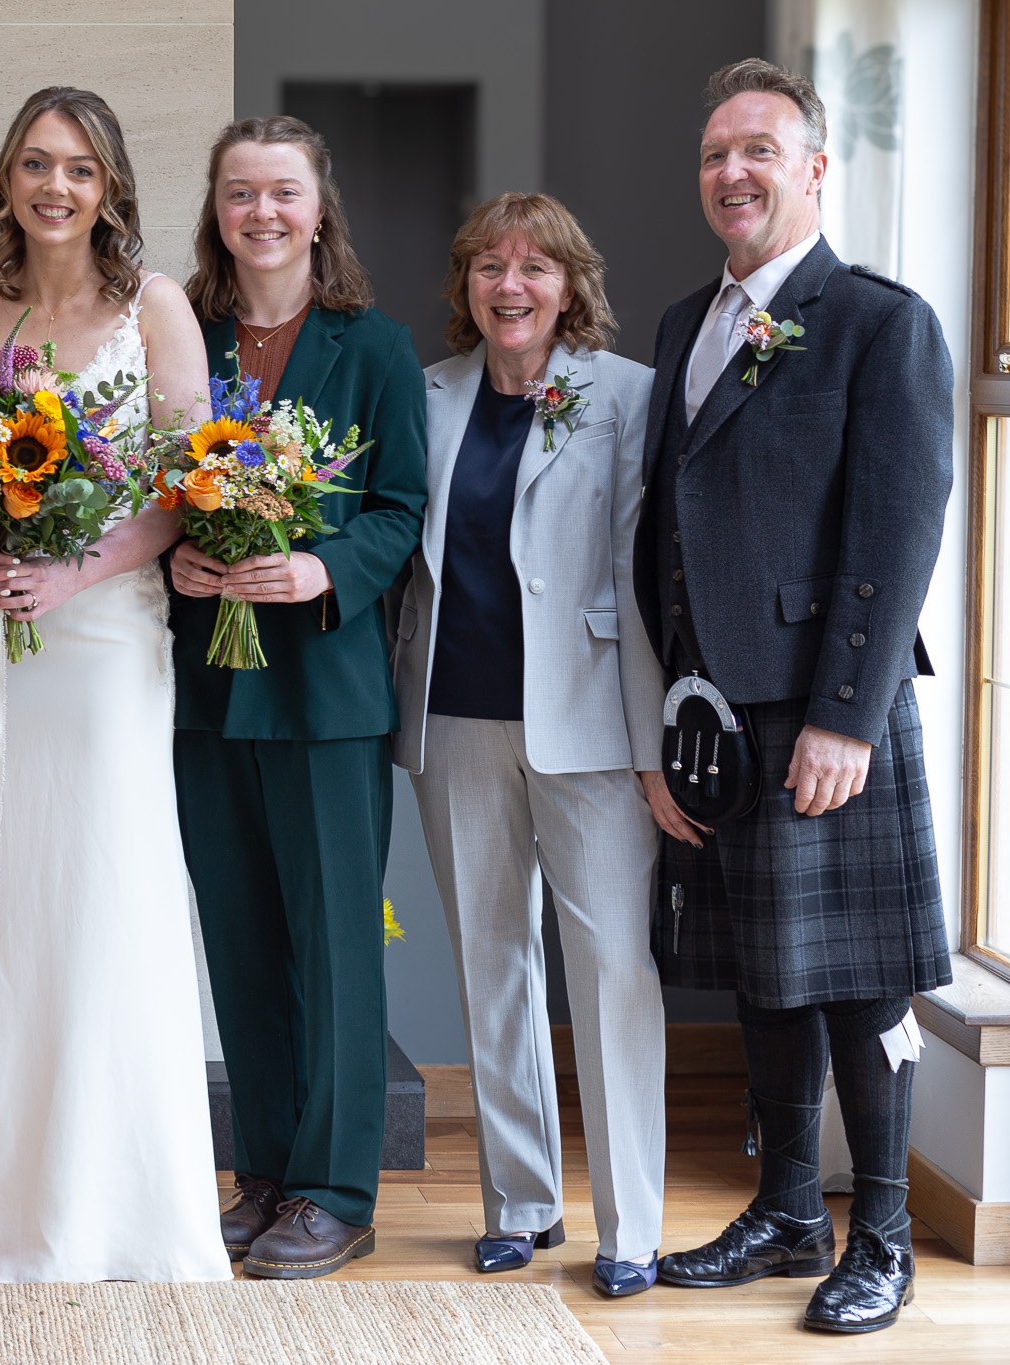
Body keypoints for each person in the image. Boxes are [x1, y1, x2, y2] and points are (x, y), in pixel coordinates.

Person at [639, 60, 953, 1334]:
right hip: (714, 713)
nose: (732, 172)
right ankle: (783, 1216)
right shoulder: (684, 323)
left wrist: (843, 715)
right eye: (714, 153)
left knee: (859, 980)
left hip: (822, 708)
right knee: (765, 975)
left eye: (758, 150)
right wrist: (663, 712)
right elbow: (664, 526)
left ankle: (880, 1236)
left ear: (814, 170)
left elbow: (898, 529)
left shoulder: (878, 321)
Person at [0, 86, 229, 1285]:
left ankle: (116, 1207)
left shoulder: (153, 309)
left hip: (102, 648)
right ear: (6, 179)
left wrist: (75, 569)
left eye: (80, 170)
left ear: (109, 190)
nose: (56, 187)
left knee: (101, 900)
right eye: (37, 164)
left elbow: (183, 482)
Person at [391, 191, 671, 1296]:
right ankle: (519, 1203)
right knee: (491, 960)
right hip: (455, 716)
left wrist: (651, 746)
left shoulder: (626, 395)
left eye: (534, 267)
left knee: (611, 970)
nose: (509, 286)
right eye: (488, 266)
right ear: (465, 286)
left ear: (570, 285)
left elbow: (642, 578)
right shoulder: (428, 395)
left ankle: (631, 1228)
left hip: (592, 722)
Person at [169, 116, 425, 1280]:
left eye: (282, 192)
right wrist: (174, 554)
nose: (260, 213)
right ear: (215, 211)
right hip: (206, 686)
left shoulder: (373, 346)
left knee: (333, 950)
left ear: (319, 210)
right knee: (239, 942)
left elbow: (400, 508)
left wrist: (322, 570)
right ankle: (266, 1175)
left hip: (325, 689)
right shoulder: (180, 334)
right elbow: (144, 486)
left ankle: (335, 1191)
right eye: (239, 193)